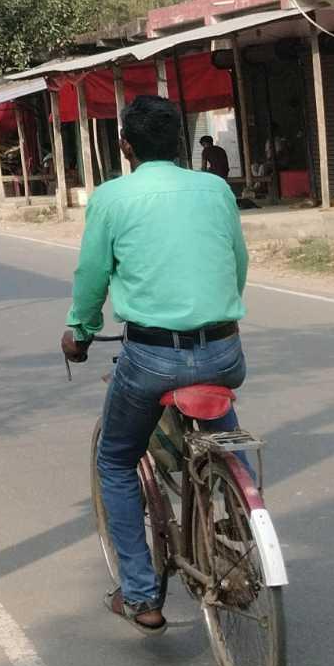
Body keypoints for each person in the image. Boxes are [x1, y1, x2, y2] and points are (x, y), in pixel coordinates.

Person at [61, 92, 249, 633]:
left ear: (125, 145)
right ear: (180, 141)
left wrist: (81, 331)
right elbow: (236, 262)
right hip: (224, 350)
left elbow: (92, 276)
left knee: (116, 460)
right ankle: (236, 513)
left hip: (152, 357)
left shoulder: (111, 197)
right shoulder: (215, 189)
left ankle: (142, 595)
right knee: (223, 437)